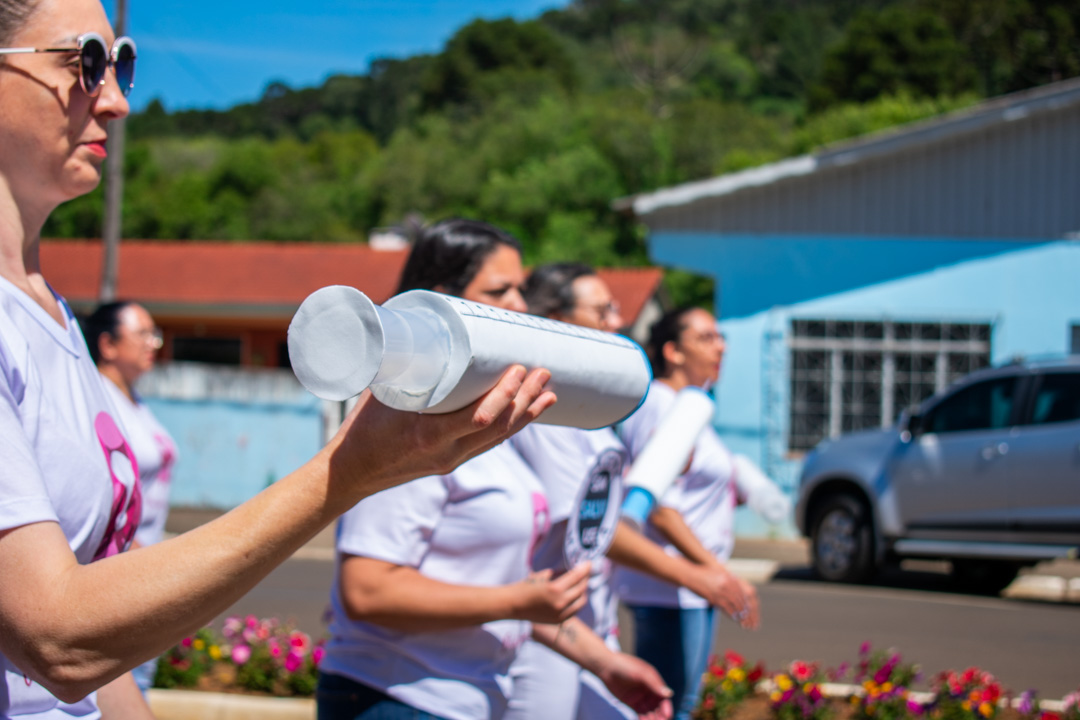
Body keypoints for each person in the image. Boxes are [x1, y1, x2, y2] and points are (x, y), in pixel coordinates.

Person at [0, 4, 555, 718]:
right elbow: (58, 639)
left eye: (123, 65)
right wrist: (347, 472)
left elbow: (103, 652)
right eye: (84, 62)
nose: (114, 98)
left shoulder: (50, 313)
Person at [316, 221, 672, 720]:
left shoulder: (478, 423)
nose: (519, 307)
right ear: (441, 302)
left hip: (464, 701)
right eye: (499, 290)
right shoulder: (403, 418)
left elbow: (510, 597)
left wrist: (606, 663)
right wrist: (516, 599)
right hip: (396, 698)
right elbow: (368, 590)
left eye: (520, 290)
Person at [508, 264, 758, 720]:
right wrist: (700, 575)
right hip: (553, 630)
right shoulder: (545, 415)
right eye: (602, 310)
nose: (616, 322)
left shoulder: (587, 409)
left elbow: (618, 510)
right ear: (556, 318)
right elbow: (594, 526)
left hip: (591, 623)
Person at [613, 307, 759, 720]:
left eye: (720, 336)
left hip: (691, 585)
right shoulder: (662, 405)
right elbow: (654, 506)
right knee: (669, 708)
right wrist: (717, 573)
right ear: (673, 351)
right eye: (706, 338)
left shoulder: (692, 405)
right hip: (669, 588)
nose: (721, 347)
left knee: (679, 704)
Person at [84, 301, 179, 692]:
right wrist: (153, 568)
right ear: (107, 344)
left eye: (154, 334)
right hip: (122, 577)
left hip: (143, 576)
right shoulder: (98, 400)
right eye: (142, 334)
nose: (153, 343)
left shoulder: (133, 402)